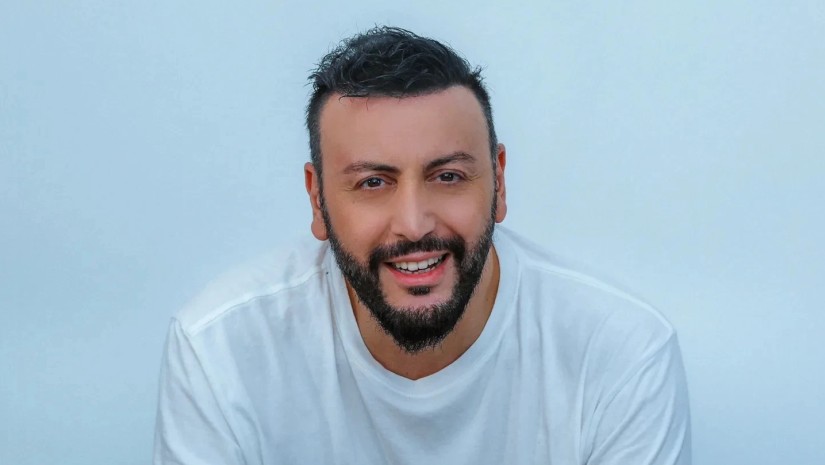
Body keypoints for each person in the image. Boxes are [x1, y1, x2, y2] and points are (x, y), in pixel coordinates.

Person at [153, 26, 691, 464]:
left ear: (499, 183)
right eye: (373, 182)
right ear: (317, 200)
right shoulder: (222, 351)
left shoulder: (620, 353)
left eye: (448, 176)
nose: (413, 225)